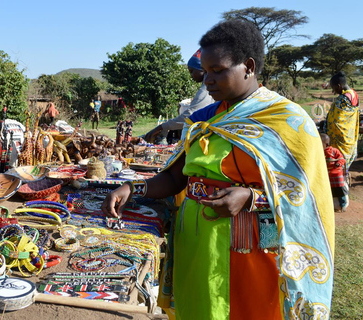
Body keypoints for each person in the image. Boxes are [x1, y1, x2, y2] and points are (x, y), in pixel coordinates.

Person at [101, 19, 334, 320]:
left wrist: (250, 197)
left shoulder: (287, 121)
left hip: (249, 251)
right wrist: (133, 189)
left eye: (218, 70)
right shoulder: (205, 118)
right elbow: (176, 176)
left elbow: (307, 199)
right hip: (196, 244)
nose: (207, 80)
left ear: (248, 66)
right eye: (206, 72)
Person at [144, 48, 214, 144]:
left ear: (202, 69)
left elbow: (191, 115)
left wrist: (162, 126)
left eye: (192, 71)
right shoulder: (209, 85)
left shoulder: (207, 88)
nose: (191, 75)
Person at [326, 71, 359, 171]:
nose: (334, 91)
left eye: (334, 88)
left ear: (339, 85)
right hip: (349, 136)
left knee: (338, 163)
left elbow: (336, 120)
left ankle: (340, 183)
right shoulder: (354, 94)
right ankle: (345, 178)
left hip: (340, 138)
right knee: (344, 167)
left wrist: (326, 124)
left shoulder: (343, 98)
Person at [321, 133, 349, 211]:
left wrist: (338, 163)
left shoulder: (334, 151)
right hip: (328, 175)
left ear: (326, 144)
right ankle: (333, 206)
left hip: (337, 174)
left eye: (321, 144)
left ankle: (343, 205)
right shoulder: (320, 152)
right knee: (331, 191)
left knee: (340, 190)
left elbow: (342, 159)